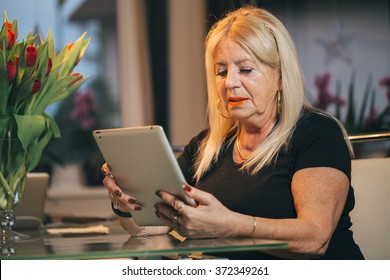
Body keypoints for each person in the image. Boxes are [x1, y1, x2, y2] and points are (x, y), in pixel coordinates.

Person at [102, 6, 364, 259]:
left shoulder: (317, 133)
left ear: (281, 75)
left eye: (246, 70)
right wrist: (126, 206)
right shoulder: (207, 147)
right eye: (221, 71)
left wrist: (230, 226)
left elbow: (315, 239)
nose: (230, 83)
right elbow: (152, 226)